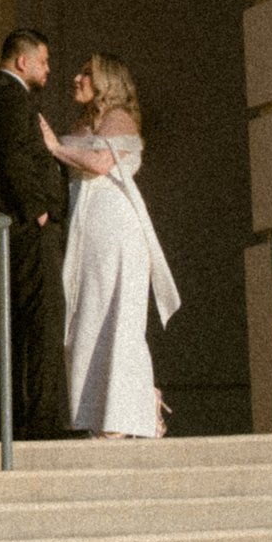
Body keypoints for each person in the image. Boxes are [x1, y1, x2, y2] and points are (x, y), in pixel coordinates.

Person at [48, 52, 179, 439]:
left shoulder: (118, 118)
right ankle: (102, 409)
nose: (76, 78)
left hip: (115, 228)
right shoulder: (84, 123)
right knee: (88, 315)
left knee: (117, 315)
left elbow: (102, 163)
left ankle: (127, 412)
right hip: (87, 229)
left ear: (107, 82)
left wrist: (55, 147)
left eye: (87, 73)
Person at [0, 27, 69, 443]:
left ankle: (28, 421)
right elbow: (15, 158)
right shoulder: (9, 97)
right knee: (40, 322)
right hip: (29, 228)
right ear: (22, 61)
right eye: (44, 61)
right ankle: (37, 424)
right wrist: (40, 212)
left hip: (26, 226)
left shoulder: (6, 96)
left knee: (30, 322)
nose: (49, 70)